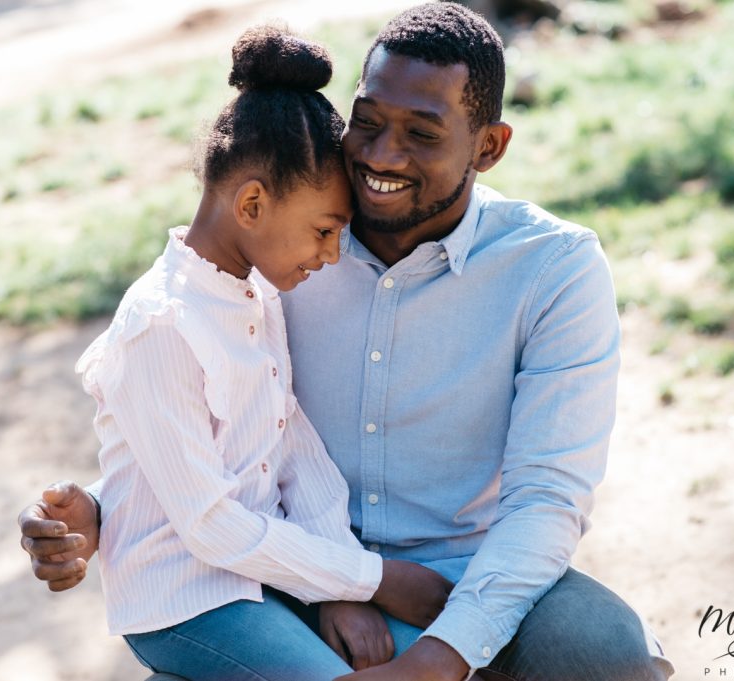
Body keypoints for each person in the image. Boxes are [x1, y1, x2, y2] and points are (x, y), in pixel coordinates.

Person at [19, 4, 676, 680]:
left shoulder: (552, 268)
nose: (381, 156)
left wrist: (437, 657)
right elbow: (216, 420)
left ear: (489, 146)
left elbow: (547, 502)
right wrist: (103, 507)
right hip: (279, 571)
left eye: (422, 133)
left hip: (465, 571)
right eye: (367, 121)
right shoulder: (280, 243)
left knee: (609, 655)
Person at [58, 25, 459, 681]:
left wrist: (343, 587)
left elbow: (293, 447)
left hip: (264, 575)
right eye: (325, 230)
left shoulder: (253, 296)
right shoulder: (160, 324)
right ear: (251, 202)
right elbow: (210, 525)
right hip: (186, 600)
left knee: (431, 651)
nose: (332, 255)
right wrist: (374, 576)